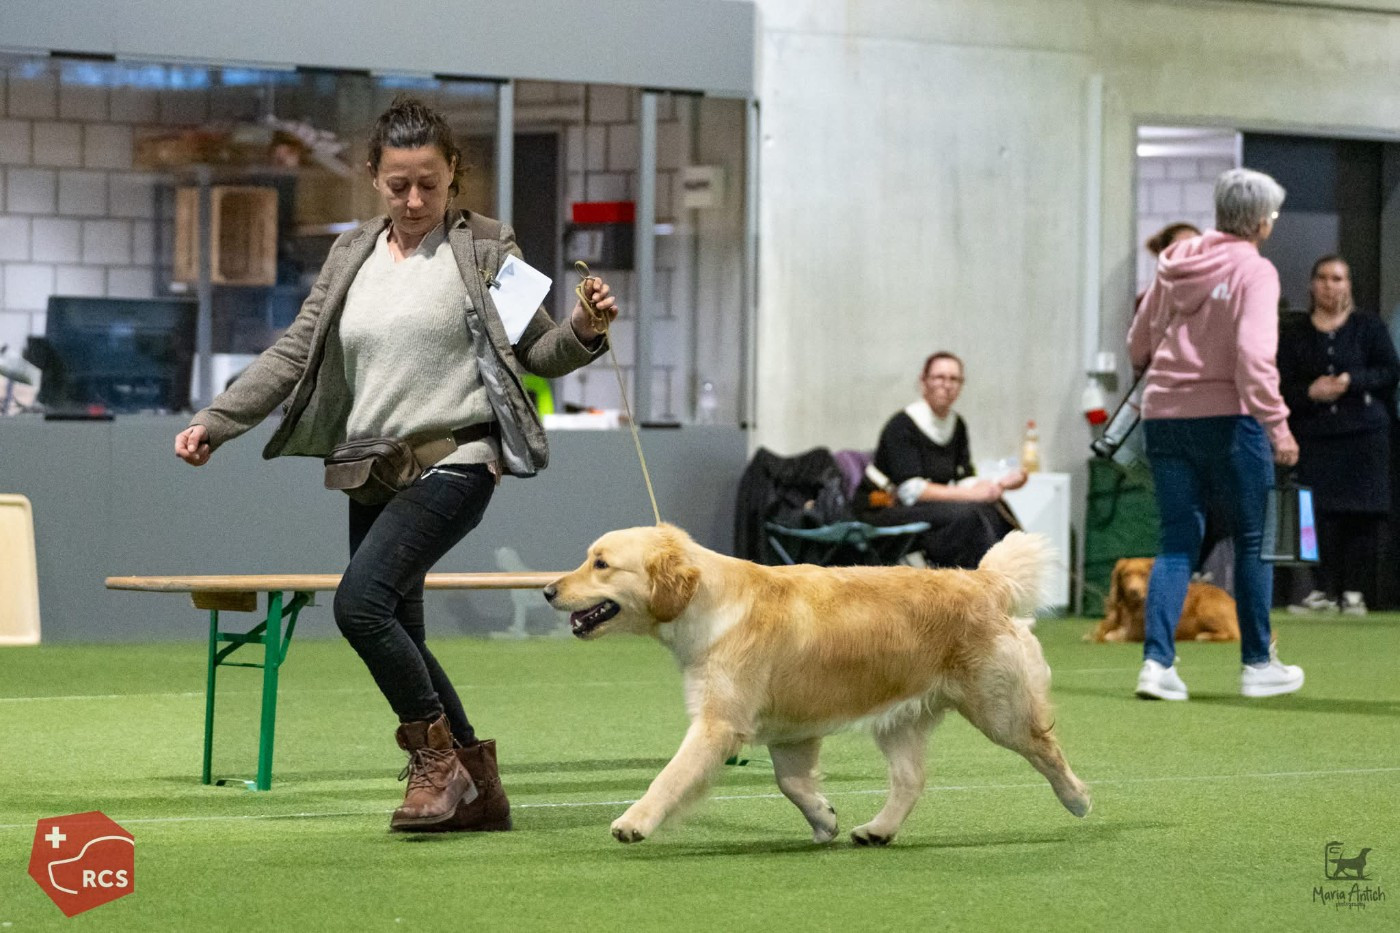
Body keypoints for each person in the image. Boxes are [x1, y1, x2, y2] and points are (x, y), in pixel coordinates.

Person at [173, 97, 618, 832]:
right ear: (374, 177)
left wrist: (583, 327)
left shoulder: (488, 249)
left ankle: (435, 764)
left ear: (454, 178)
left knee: (359, 604)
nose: (414, 200)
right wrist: (216, 421)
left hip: (460, 459)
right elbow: (294, 351)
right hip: (372, 469)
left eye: (430, 185)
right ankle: (479, 783)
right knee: (399, 628)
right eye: (398, 184)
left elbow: (542, 352)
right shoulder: (350, 255)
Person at [1127, 167, 1304, 701]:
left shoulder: (1174, 262)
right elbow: (1254, 357)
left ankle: (1156, 665)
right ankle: (1256, 663)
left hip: (1163, 416)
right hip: (1230, 419)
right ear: (1259, 222)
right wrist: (1278, 424)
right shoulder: (1256, 271)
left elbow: (1139, 341)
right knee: (1254, 539)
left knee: (1178, 540)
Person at [1278, 254, 1399, 616]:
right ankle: (1321, 590)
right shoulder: (1295, 332)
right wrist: (1310, 393)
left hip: (1364, 435)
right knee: (1317, 516)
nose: (1331, 286)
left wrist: (1351, 380)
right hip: (1315, 435)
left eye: (1338, 279)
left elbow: (1390, 372)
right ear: (1313, 284)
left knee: (1360, 515)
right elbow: (1281, 385)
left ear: (1349, 285)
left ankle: (1354, 592)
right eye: (1324, 278)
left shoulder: (1369, 326)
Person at [862, 351, 1027, 569]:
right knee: (966, 515)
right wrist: (971, 495)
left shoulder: (957, 425)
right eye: (939, 377)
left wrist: (996, 486)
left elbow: (963, 477)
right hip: (883, 505)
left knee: (993, 508)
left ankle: (1012, 579)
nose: (946, 385)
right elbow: (910, 490)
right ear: (924, 381)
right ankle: (965, 589)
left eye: (954, 379)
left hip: (926, 507)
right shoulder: (902, 425)